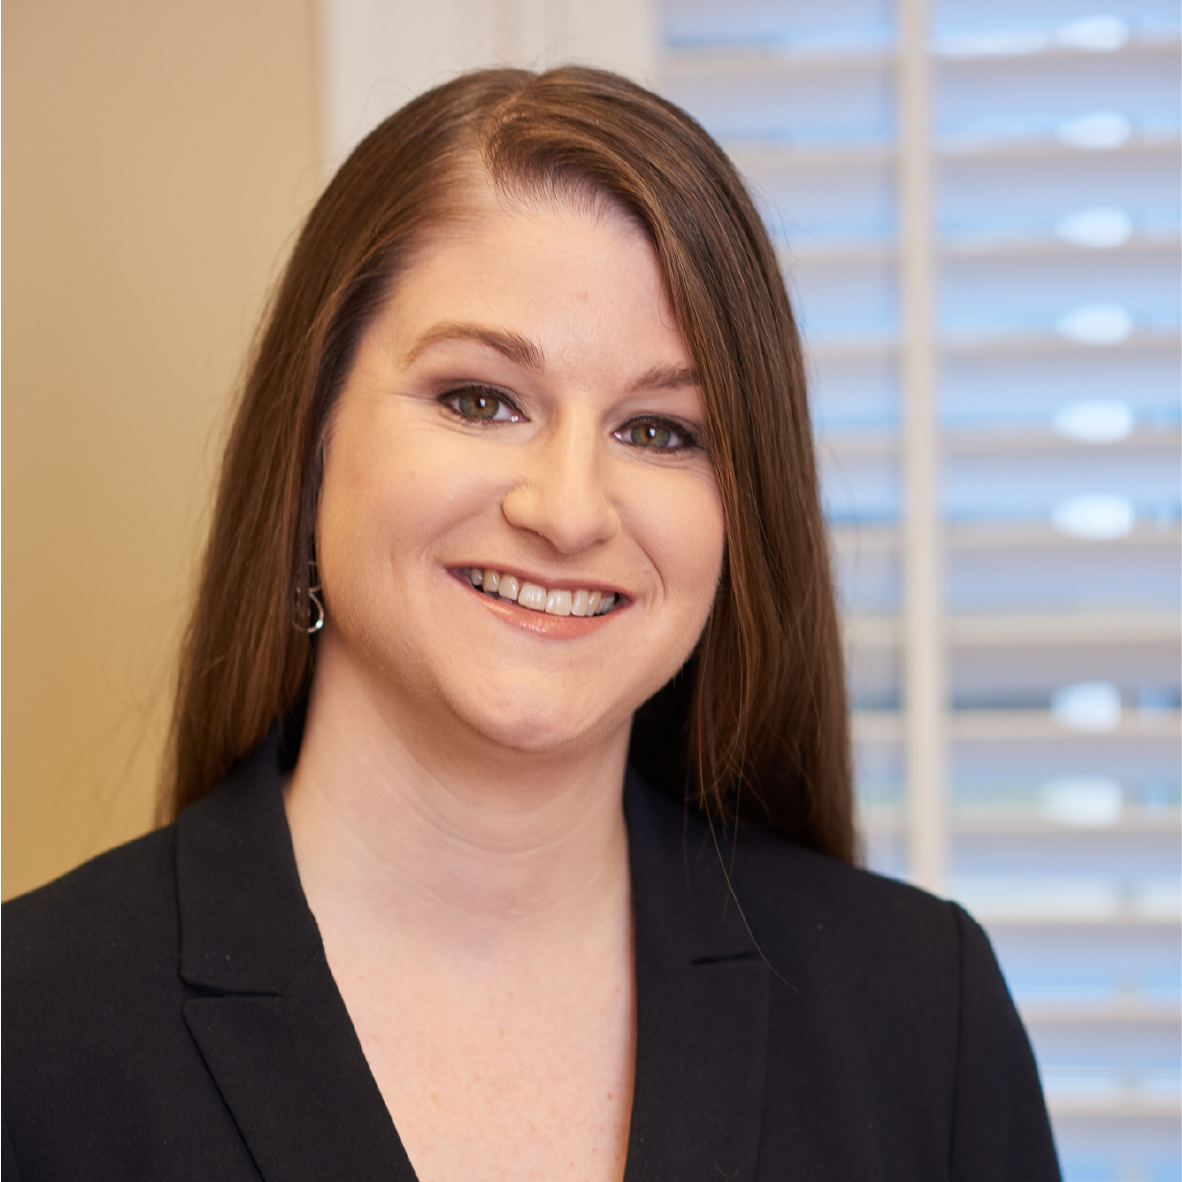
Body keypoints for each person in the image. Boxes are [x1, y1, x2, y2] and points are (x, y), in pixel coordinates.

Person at [1, 67, 1060, 1181]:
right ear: (310, 440)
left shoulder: (920, 1015)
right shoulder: (32, 1039)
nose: (565, 510)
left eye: (659, 431)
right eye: (479, 399)